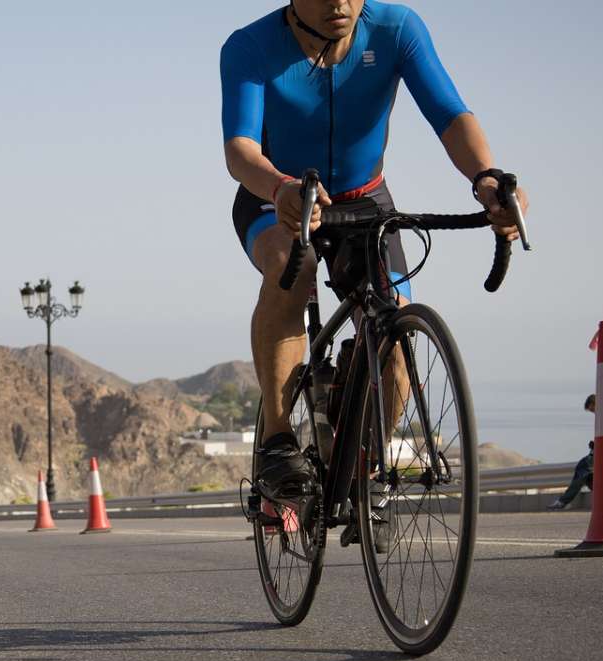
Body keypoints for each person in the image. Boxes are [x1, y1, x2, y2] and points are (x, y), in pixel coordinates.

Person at [220, 0, 530, 501]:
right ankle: (278, 439)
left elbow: (450, 115)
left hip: (366, 200)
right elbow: (241, 149)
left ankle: (366, 460)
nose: (339, 4)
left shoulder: (396, 28)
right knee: (287, 267)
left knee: (397, 325)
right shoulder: (250, 46)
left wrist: (486, 177)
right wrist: (280, 188)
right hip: (275, 198)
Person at [548, 394, 597, 510]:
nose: (593, 413)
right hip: (598, 452)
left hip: (601, 454)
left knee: (583, 467)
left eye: (592, 410)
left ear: (596, 404)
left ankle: (563, 501)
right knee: (587, 476)